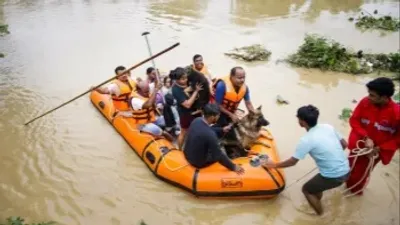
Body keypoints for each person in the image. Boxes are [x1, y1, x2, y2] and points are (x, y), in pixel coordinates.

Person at [263, 105, 350, 215]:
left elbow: (292, 162)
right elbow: (344, 144)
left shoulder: (306, 140)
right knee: (316, 186)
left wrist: (273, 165)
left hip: (333, 176)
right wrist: (331, 156)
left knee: (306, 190)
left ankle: (320, 216)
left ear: (302, 122)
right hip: (346, 171)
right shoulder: (328, 127)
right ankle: (317, 201)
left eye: (298, 118)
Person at [346, 77, 400, 195]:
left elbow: (398, 139)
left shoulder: (396, 113)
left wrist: (378, 149)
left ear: (385, 97)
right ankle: (348, 190)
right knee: (348, 169)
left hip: (375, 152)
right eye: (369, 94)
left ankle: (355, 195)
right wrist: (366, 137)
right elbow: (354, 120)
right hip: (360, 145)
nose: (369, 97)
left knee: (360, 176)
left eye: (372, 95)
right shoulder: (365, 102)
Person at [183, 103, 245, 174]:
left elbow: (206, 130)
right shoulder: (210, 135)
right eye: (218, 116)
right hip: (197, 162)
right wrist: (233, 167)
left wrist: (222, 129)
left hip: (187, 153)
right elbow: (218, 156)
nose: (218, 117)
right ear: (212, 117)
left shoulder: (197, 120)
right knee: (219, 152)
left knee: (212, 146)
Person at [170, 67, 203, 149]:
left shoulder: (188, 82)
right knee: (184, 131)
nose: (185, 80)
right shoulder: (176, 90)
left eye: (186, 77)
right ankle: (179, 149)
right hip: (186, 113)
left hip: (196, 111)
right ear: (177, 80)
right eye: (183, 79)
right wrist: (196, 91)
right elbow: (187, 104)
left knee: (198, 129)